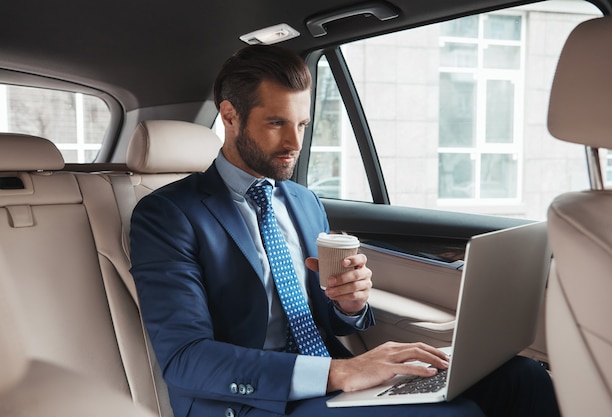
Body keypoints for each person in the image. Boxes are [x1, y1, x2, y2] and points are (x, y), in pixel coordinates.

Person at [129, 44, 560, 417]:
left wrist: (351, 306)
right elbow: (186, 360)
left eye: (301, 124)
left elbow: (328, 319)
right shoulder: (168, 214)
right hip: (251, 402)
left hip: (330, 379)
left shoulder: (303, 201)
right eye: (277, 123)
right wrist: (343, 372)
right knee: (460, 412)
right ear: (230, 116)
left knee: (523, 377)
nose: (295, 143)